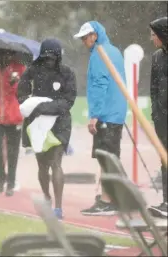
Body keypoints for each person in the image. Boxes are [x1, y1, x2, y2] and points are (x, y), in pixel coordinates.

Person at [18, 38, 77, 219]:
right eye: (46, 57)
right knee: (43, 166)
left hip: (59, 123)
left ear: (58, 57)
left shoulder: (67, 73)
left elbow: (69, 101)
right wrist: (35, 107)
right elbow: (21, 95)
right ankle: (47, 198)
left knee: (55, 163)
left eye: (52, 57)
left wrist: (44, 107)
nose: (49, 60)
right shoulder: (32, 71)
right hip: (36, 124)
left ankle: (58, 207)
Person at [73, 21, 127, 216]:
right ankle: (112, 198)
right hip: (116, 112)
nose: (83, 41)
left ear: (95, 35)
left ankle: (107, 201)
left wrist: (94, 115)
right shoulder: (115, 51)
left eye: (86, 37)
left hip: (105, 114)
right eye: (82, 38)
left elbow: (100, 85)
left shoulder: (99, 54)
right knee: (111, 158)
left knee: (106, 160)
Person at [0, 50, 25, 196]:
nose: (6, 57)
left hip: (14, 113)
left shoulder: (19, 67)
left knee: (12, 151)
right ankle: (1, 176)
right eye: (3, 55)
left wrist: (16, 83)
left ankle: (11, 182)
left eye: (9, 55)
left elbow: (24, 89)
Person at [147, 17, 167, 218]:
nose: (151, 39)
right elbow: (153, 88)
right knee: (165, 160)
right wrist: (155, 113)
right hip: (162, 119)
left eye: (154, 35)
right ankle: (166, 202)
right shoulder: (156, 57)